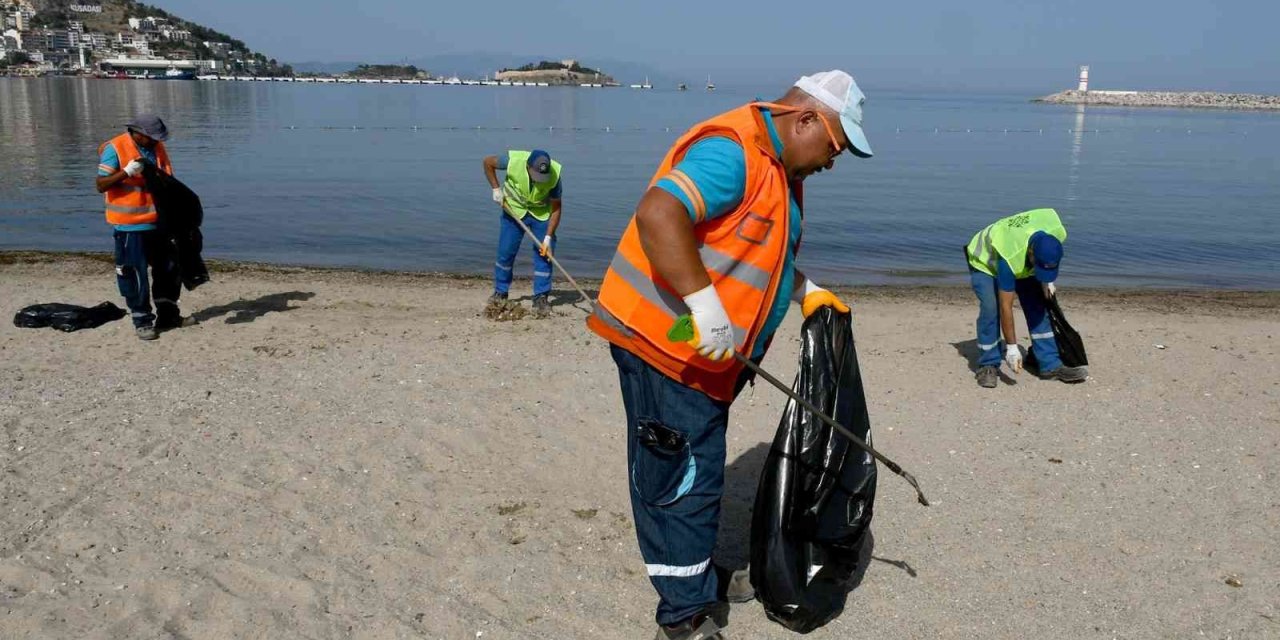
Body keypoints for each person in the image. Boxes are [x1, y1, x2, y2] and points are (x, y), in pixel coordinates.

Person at [586, 70, 872, 639]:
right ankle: (685, 615)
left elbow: (754, 253)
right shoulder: (734, 152)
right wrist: (702, 304)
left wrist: (803, 290)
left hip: (705, 359)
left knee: (695, 470)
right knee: (682, 476)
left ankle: (695, 577)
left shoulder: (779, 169)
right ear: (807, 119)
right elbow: (659, 213)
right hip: (664, 346)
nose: (833, 161)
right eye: (835, 146)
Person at [95, 113, 195, 341]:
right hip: (130, 226)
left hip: (159, 223)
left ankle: (169, 315)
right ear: (137, 133)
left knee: (169, 269)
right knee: (135, 274)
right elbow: (101, 185)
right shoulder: (115, 148)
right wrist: (126, 173)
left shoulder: (158, 148)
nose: (155, 141)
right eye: (151, 137)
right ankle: (142, 320)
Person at [964, 208, 1087, 387]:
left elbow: (1049, 257)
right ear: (1031, 253)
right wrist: (1012, 348)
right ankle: (988, 364)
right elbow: (1006, 306)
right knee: (992, 308)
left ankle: (1049, 364)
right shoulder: (1010, 254)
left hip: (1022, 258)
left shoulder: (1056, 233)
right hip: (985, 263)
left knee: (1038, 305)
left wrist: (1047, 281)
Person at [482, 149, 563, 317]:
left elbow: (556, 208)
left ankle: (541, 296)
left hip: (541, 215)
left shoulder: (554, 175)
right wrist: (496, 189)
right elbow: (487, 162)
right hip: (513, 211)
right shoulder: (513, 161)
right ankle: (500, 292)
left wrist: (548, 237)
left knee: (545, 255)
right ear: (528, 165)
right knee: (505, 253)